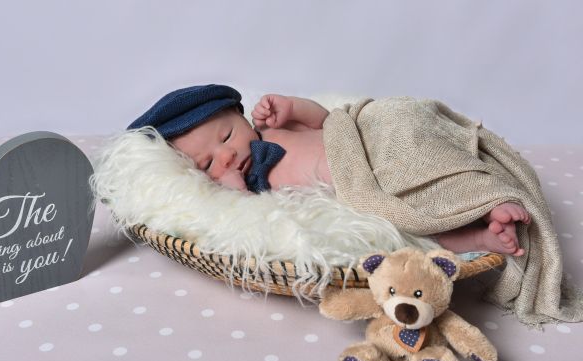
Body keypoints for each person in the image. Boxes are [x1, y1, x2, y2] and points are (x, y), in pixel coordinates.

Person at [128, 84, 530, 257]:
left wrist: (292, 107)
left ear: (242, 115)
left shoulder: (273, 129)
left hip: (366, 147)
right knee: (406, 220)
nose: (227, 156)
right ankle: (478, 234)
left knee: (427, 161)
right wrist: (233, 186)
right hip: (361, 190)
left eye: (227, 135)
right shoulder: (250, 183)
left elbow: (326, 121)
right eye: (207, 164)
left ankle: (484, 195)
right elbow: (249, 218)